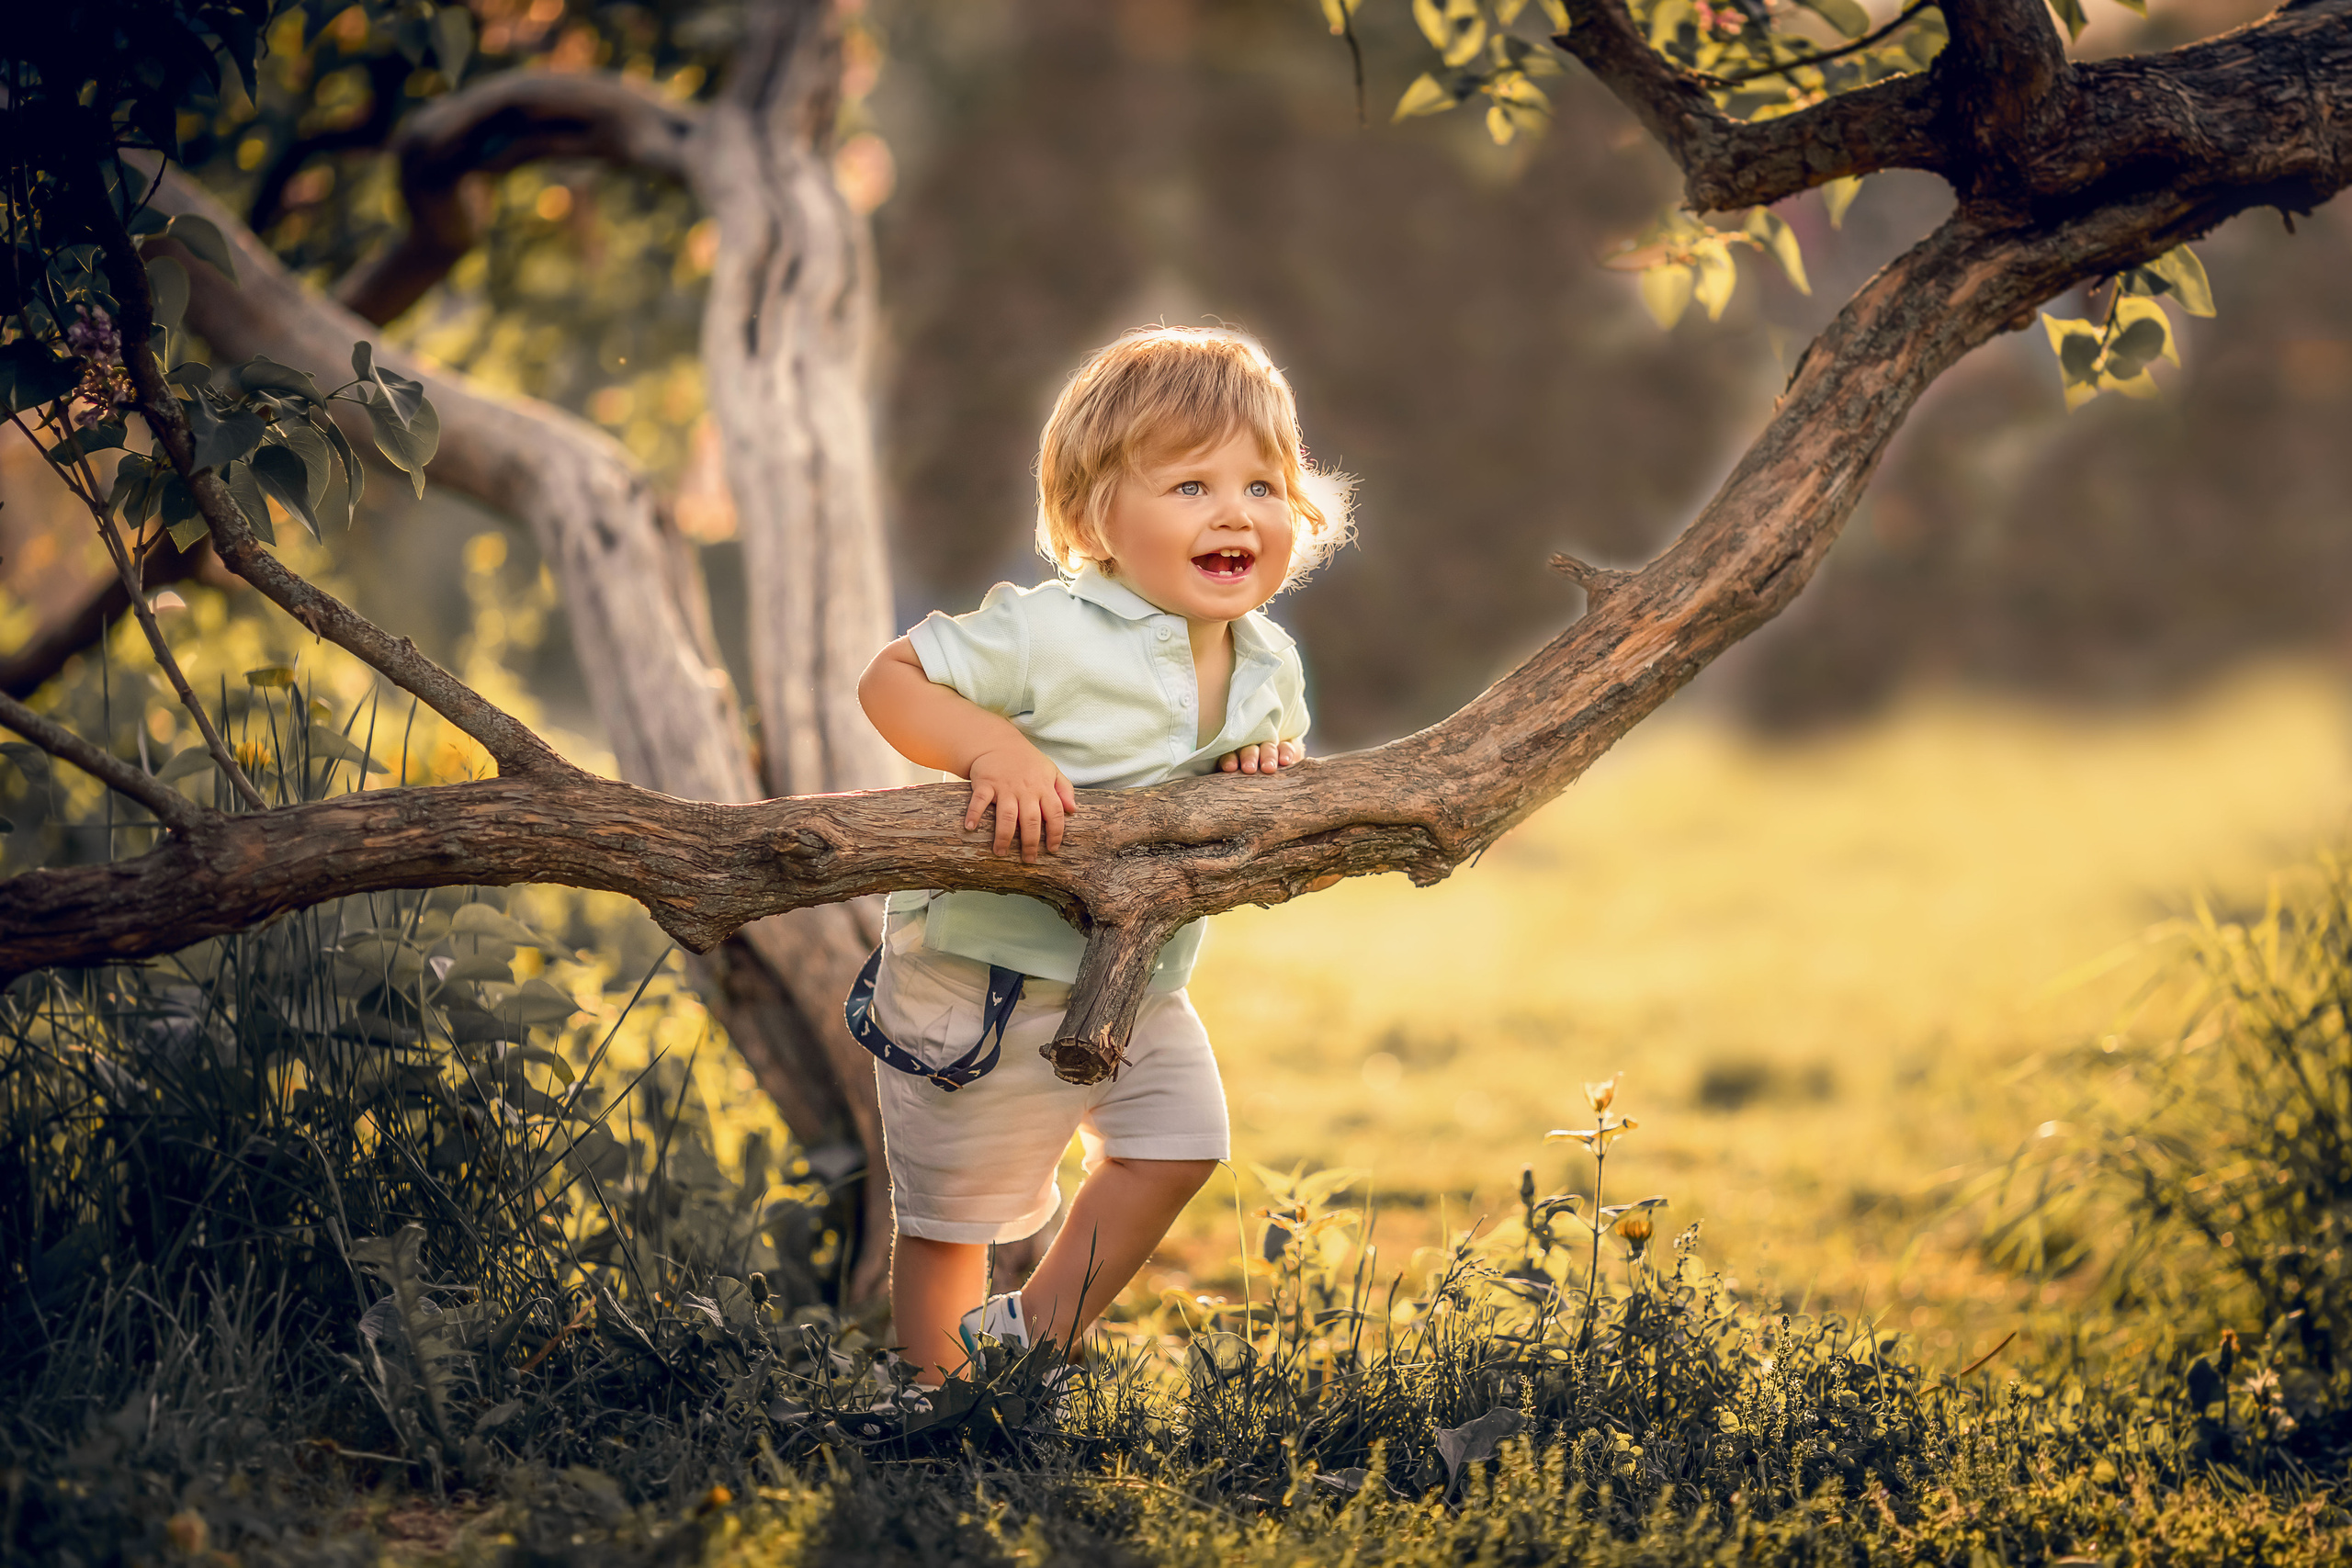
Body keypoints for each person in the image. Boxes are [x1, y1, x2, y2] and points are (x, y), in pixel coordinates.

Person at [855, 325, 1351, 1384]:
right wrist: (994, 747)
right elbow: (892, 681)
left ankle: (1025, 1345)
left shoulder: (1269, 662)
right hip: (982, 973)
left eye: (1262, 483)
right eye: (1188, 486)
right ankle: (932, 1396)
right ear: (1094, 520)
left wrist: (1271, 773)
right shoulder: (1050, 630)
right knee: (953, 1217)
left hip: (1140, 978)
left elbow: (1272, 776)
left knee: (1179, 1144)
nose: (1233, 511)